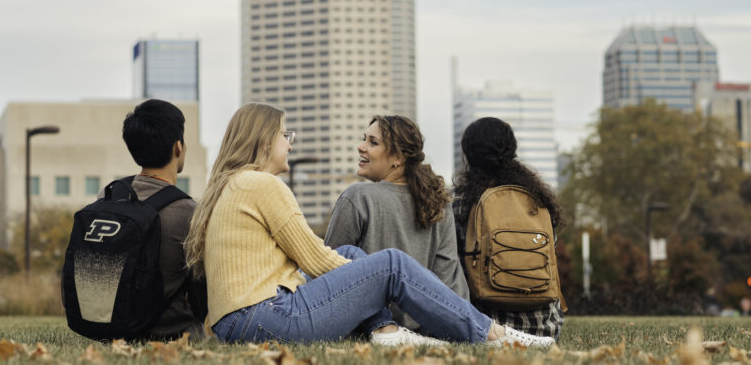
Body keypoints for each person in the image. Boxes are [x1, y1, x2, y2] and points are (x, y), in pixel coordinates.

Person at [184, 103, 554, 348]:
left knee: (351, 253)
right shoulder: (262, 184)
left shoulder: (236, 183)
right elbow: (315, 261)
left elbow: (323, 259)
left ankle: (385, 331)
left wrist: (363, 276)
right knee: (390, 264)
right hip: (264, 320)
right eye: (286, 136)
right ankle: (494, 334)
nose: (290, 144)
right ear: (264, 140)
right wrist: (379, 281)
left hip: (242, 320)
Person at [325, 115, 469, 334]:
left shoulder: (357, 197)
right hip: (429, 328)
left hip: (370, 329)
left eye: (373, 142)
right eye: (365, 139)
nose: (361, 147)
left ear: (398, 158)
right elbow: (448, 277)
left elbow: (328, 273)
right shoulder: (439, 201)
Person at [453, 116, 566, 340]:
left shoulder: (461, 205)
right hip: (546, 326)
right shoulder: (539, 200)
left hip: (487, 326)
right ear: (512, 149)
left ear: (468, 155)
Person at [120, 99, 208, 339]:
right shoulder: (189, 211)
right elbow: (202, 301)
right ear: (178, 147)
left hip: (112, 327)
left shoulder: (108, 198)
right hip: (173, 333)